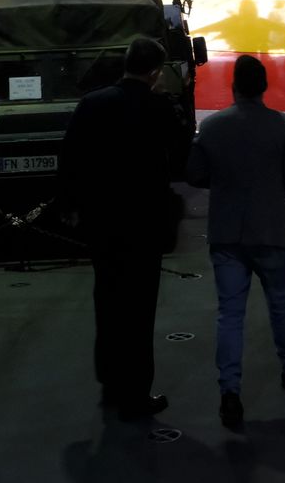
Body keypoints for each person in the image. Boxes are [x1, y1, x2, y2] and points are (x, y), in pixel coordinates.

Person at [186, 54, 285, 429]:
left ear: (234, 86)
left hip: (227, 234)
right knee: (280, 303)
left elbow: (194, 173)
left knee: (230, 314)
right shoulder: (282, 126)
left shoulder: (212, 127)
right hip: (272, 232)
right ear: (264, 88)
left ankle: (229, 391)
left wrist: (226, 183)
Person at [60, 36, 186, 422]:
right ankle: (136, 393)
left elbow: (70, 159)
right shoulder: (159, 107)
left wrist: (70, 207)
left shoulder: (92, 104)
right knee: (139, 309)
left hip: (102, 222)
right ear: (154, 71)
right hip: (145, 225)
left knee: (108, 299)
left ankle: (110, 381)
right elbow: (181, 158)